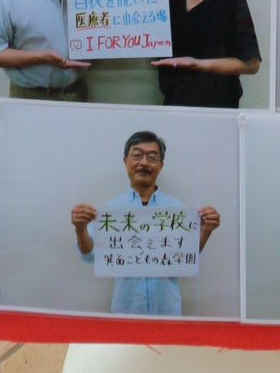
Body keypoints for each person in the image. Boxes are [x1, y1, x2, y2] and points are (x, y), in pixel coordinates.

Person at [72, 130, 220, 317]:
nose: (144, 163)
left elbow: (185, 259)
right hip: (126, 311)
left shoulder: (178, 210)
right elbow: (89, 256)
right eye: (137, 156)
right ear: (125, 161)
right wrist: (80, 228)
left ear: (160, 165)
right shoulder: (110, 211)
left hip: (168, 311)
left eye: (152, 157)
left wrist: (206, 231)